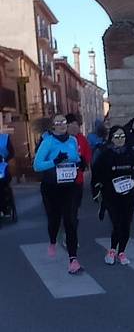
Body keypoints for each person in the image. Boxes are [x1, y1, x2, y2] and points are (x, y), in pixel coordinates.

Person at [33, 114, 82, 274]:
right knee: (54, 219)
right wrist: (55, 161)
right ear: (53, 126)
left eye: (64, 122)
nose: (61, 125)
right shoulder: (48, 142)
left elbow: (76, 158)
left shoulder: (72, 141)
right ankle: (53, 241)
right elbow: (37, 166)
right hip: (51, 187)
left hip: (69, 186)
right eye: (58, 123)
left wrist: (78, 161)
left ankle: (73, 259)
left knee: (70, 220)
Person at [92, 125, 134, 266]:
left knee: (126, 224)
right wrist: (96, 192)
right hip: (111, 196)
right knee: (117, 224)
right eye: (117, 137)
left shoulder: (131, 153)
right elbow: (96, 174)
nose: (120, 140)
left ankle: (122, 252)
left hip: (128, 194)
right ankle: (112, 250)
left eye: (122, 136)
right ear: (111, 139)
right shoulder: (105, 155)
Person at [64, 113, 92, 243]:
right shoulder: (60, 139)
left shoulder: (82, 139)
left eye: (77, 125)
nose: (75, 128)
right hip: (62, 182)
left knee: (74, 209)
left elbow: (87, 155)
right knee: (67, 210)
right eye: (72, 125)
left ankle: (71, 233)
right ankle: (69, 234)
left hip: (78, 181)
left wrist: (83, 163)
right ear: (66, 126)